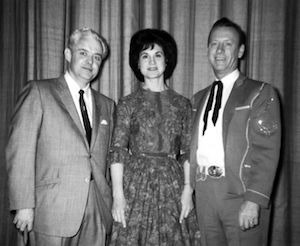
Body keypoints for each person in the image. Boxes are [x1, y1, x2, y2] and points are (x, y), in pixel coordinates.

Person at [6, 27, 114, 246]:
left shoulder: (108, 105)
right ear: (67, 54)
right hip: (51, 209)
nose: (89, 62)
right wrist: (24, 204)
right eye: (83, 53)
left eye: (96, 57)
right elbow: (20, 149)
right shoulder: (39, 91)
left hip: (96, 208)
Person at [190, 17, 281, 246]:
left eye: (227, 44)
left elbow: (266, 150)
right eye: (214, 44)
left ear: (240, 51)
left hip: (240, 193)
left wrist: (254, 200)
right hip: (204, 193)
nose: (219, 50)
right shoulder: (198, 98)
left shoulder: (258, 93)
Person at [108, 29, 201, 246]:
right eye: (145, 56)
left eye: (157, 55)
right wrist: (118, 195)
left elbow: (187, 151)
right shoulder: (128, 103)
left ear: (166, 61)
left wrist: (188, 189)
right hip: (135, 187)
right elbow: (118, 150)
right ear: (137, 64)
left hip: (173, 186)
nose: (151, 61)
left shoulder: (182, 104)